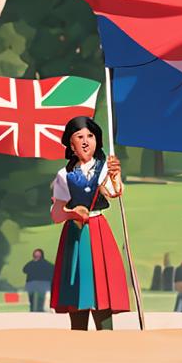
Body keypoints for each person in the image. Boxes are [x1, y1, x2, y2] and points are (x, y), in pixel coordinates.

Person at [49, 116, 130, 330]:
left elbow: (114, 192)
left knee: (101, 285)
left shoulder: (103, 168)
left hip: (98, 231)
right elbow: (56, 214)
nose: (86, 141)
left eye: (90, 136)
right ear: (71, 144)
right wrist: (72, 213)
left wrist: (116, 175)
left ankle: (106, 335)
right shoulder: (64, 175)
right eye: (80, 136)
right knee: (77, 288)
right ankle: (78, 334)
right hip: (75, 234)